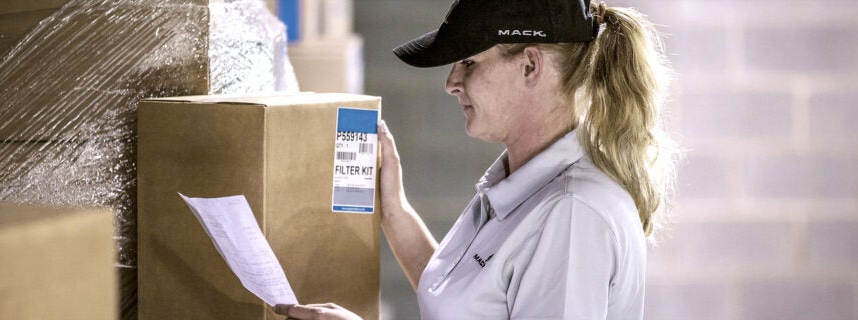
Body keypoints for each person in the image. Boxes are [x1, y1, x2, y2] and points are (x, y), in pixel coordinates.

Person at [276, 0, 676, 318]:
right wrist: (394, 209)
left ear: (530, 65)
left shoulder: (572, 214)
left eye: (469, 62)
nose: (451, 83)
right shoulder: (521, 182)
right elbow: (465, 303)